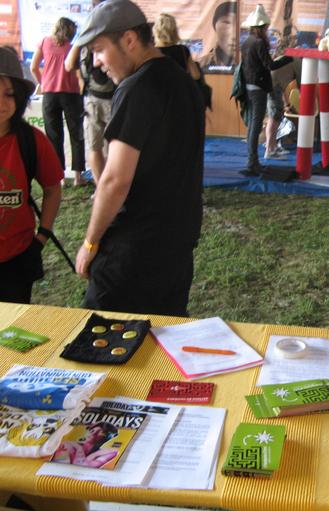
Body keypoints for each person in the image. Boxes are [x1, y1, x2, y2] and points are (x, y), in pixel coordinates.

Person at [73, 0, 205, 316]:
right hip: (176, 244)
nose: (96, 63)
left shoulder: (137, 87)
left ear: (130, 40)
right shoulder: (184, 82)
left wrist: (90, 243)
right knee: (162, 337)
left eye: (100, 50)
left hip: (133, 250)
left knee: (105, 338)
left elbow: (115, 180)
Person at [0, 46, 63, 304]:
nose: (2, 103)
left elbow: (52, 188)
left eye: (9, 94)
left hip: (16, 261)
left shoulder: (31, 140)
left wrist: (42, 235)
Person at [65, 0, 116, 190]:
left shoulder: (87, 34)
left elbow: (69, 65)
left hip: (95, 99)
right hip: (106, 99)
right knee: (108, 147)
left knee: (97, 147)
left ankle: (103, 188)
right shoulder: (114, 30)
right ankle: (105, 188)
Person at [30, 17, 86, 186]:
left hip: (50, 95)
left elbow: (33, 67)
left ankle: (60, 177)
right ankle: (78, 177)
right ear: (71, 31)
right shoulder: (74, 48)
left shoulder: (44, 42)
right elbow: (80, 73)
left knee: (54, 136)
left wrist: (43, 83)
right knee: (76, 134)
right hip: (71, 95)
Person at [240, 4, 292, 175]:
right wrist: (289, 58)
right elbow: (270, 65)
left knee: (253, 126)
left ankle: (252, 161)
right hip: (259, 88)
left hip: (249, 87)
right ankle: (252, 162)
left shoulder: (247, 42)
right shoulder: (259, 42)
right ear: (262, 27)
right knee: (255, 126)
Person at [264, 58, 300, 160]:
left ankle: (273, 147)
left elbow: (283, 86)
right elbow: (302, 85)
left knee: (275, 117)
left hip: (271, 84)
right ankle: (269, 150)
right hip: (272, 85)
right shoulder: (299, 63)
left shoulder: (288, 61)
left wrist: (287, 104)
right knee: (274, 118)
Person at [153, 13, 201, 80]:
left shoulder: (152, 52)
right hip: (181, 86)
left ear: (156, 30)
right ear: (174, 30)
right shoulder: (183, 50)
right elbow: (196, 75)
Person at [52, 422, 119, 468]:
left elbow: (83, 466)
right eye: (92, 431)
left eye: (99, 433)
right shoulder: (67, 445)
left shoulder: (108, 453)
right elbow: (59, 469)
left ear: (106, 438)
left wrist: (94, 454)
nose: (93, 434)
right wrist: (79, 449)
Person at [198, 1, 237, 72]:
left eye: (239, 24)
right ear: (215, 26)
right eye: (227, 22)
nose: (233, 35)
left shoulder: (247, 63)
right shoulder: (202, 64)